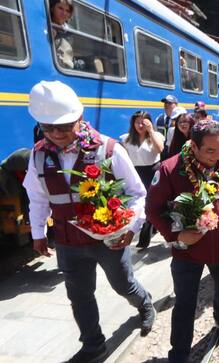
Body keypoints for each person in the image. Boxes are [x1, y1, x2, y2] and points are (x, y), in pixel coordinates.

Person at [23, 81, 155, 363]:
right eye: (48, 128)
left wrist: (132, 228)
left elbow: (137, 193)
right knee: (79, 295)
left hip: (108, 239)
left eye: (63, 126)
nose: (56, 134)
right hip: (68, 242)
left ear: (79, 119)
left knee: (123, 285)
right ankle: (93, 345)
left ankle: (145, 304)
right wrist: (37, 232)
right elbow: (36, 197)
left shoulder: (108, 149)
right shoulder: (38, 154)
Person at [145, 120, 219, 362]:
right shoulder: (169, 169)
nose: (218, 156)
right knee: (184, 305)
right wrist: (175, 236)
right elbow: (152, 209)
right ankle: (179, 353)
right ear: (193, 146)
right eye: (210, 150)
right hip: (187, 253)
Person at [120, 110, 165, 249]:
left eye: (143, 122)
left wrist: (151, 131)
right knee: (141, 204)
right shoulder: (126, 139)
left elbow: (159, 149)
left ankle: (153, 228)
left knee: (152, 203)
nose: (140, 125)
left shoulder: (156, 135)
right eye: (137, 122)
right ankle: (144, 237)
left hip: (152, 172)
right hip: (136, 172)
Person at [50, 0, 82, 70]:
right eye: (60, 8)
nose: (64, 13)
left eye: (67, 11)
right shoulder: (46, 25)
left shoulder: (71, 32)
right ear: (52, 9)